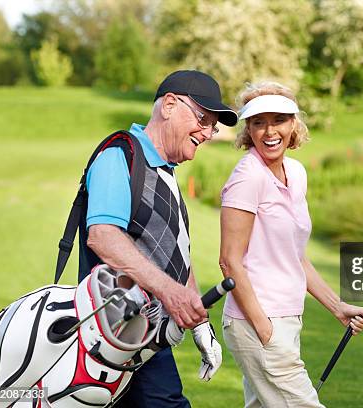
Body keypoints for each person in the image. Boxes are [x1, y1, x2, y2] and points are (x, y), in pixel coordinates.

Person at [84, 70, 238, 407]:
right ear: (169, 105)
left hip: (144, 334)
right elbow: (103, 237)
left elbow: (176, 255)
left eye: (214, 125)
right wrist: (171, 293)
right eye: (203, 119)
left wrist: (200, 323)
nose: (209, 132)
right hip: (118, 330)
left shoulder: (163, 172)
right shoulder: (119, 156)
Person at [219, 82, 363, 407]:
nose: (269, 130)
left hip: (287, 318)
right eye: (258, 122)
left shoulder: (296, 172)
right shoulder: (248, 178)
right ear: (248, 129)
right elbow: (229, 262)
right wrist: (264, 329)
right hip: (258, 320)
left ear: (293, 125)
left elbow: (295, 256)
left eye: (279, 120)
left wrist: (337, 306)